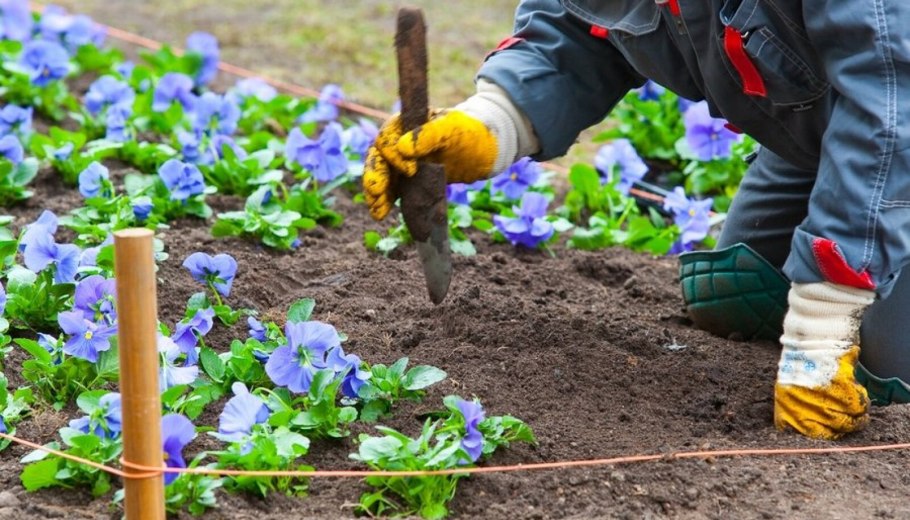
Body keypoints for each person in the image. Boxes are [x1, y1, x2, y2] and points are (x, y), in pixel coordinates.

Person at [362, 0, 910, 440]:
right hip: (821, 137)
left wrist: (820, 327)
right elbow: (572, 29)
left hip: (892, 128)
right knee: (733, 290)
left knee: (889, 367)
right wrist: (489, 125)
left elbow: (891, 102)